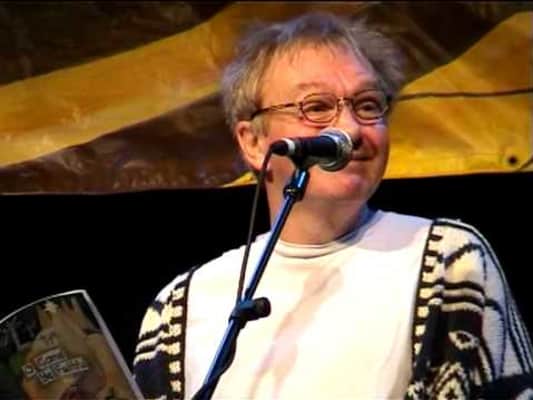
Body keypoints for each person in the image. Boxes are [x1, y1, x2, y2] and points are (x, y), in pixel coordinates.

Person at [133, 12, 533, 399]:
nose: (350, 130)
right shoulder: (178, 309)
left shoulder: (451, 261)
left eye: (368, 105)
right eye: (317, 107)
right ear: (253, 142)